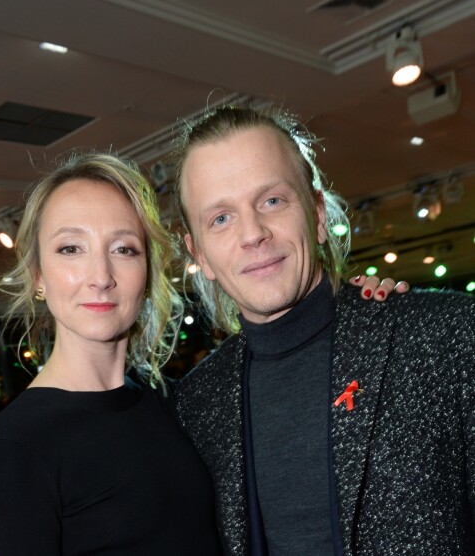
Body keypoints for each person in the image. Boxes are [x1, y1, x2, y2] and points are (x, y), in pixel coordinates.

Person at [172, 105, 475, 555]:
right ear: (198, 251)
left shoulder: (444, 336)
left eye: (272, 200)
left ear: (316, 213)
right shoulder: (194, 406)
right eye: (221, 218)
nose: (252, 233)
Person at [0, 152, 223, 555]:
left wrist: (355, 312)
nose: (100, 277)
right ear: (38, 274)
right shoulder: (18, 442)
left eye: (124, 249)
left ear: (147, 273)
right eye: (71, 248)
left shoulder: (169, 400)